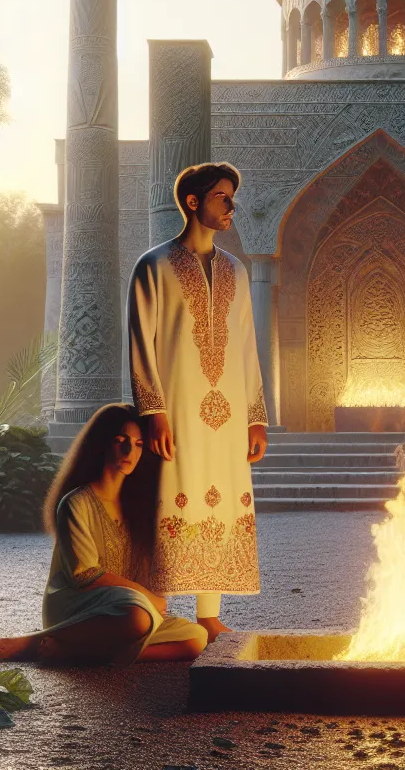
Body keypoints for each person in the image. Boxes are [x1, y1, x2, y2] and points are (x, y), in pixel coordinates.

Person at [128, 162, 269, 641]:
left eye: (231, 197)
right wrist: (153, 411)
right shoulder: (153, 267)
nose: (231, 206)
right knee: (171, 498)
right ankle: (158, 610)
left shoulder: (237, 271)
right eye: (221, 197)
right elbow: (141, 345)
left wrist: (255, 417)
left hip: (228, 415)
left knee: (222, 498)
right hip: (178, 410)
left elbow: (246, 346)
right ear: (193, 202)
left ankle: (208, 614)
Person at [0, 404, 208, 665]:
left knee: (196, 638)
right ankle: (36, 640)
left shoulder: (140, 507)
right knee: (137, 617)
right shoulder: (76, 502)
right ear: (102, 444)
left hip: (129, 607)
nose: (129, 451)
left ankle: (79, 653)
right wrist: (146, 596)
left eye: (138, 444)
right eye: (120, 441)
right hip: (80, 607)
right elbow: (85, 575)